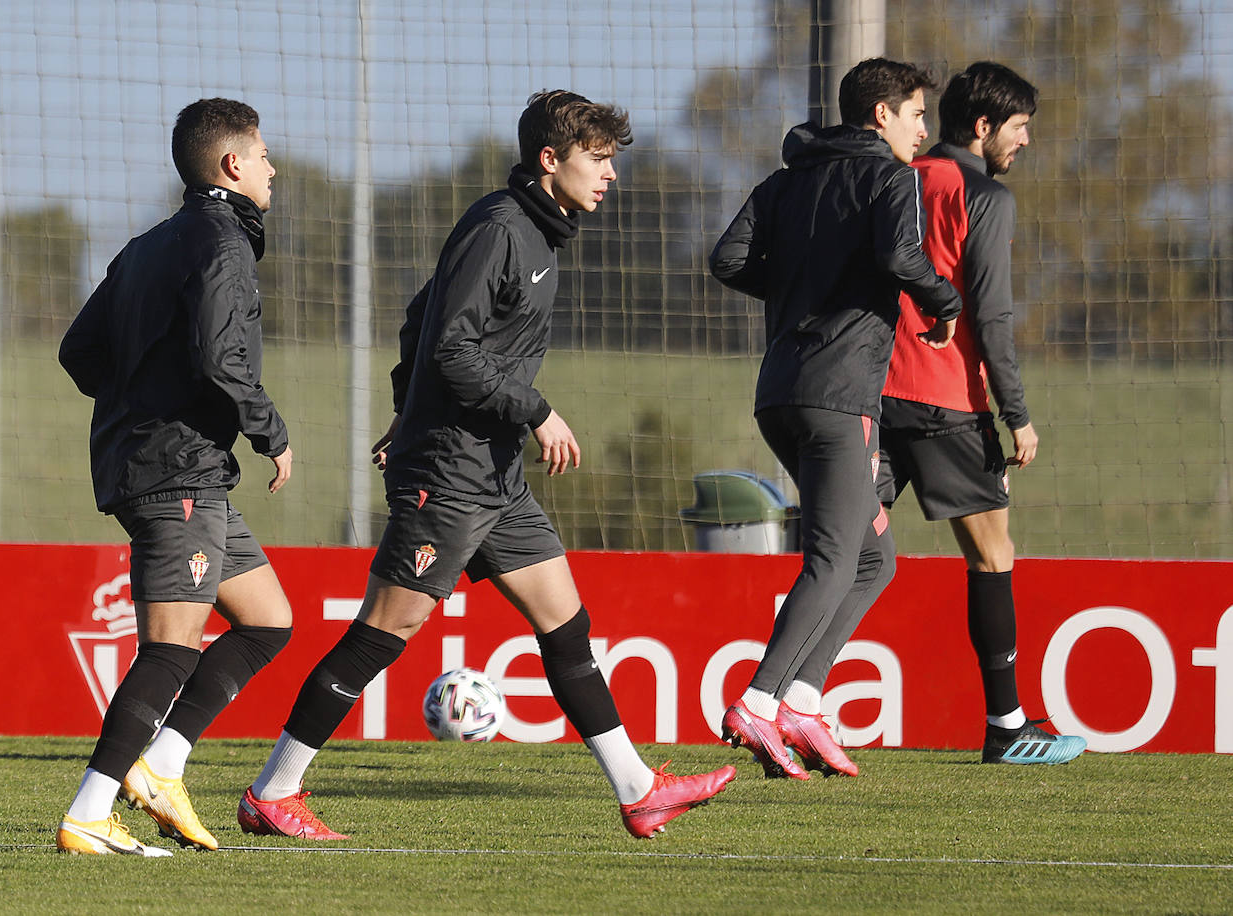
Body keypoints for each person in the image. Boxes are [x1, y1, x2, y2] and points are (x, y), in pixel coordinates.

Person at [239, 90, 735, 842]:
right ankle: (273, 791)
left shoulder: (540, 234)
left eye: (610, 162)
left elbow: (418, 319)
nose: (609, 176)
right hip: (451, 471)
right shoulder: (500, 228)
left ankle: (639, 789)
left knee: (565, 622)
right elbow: (448, 346)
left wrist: (408, 410)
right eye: (597, 160)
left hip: (492, 475)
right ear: (550, 159)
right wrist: (532, 411)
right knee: (382, 631)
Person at [709, 58, 962, 780]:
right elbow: (898, 255)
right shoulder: (890, 177)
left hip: (780, 395)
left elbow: (727, 259)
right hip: (839, 398)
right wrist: (943, 302)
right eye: (917, 114)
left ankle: (803, 699)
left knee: (874, 558)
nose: (923, 130)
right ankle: (760, 700)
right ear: (881, 115)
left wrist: (797, 286)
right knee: (833, 557)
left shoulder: (783, 182)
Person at [56, 98, 296, 855]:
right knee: (170, 648)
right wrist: (272, 434)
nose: (272, 167)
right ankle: (89, 811)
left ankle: (163, 765)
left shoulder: (150, 244)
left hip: (172, 466)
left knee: (266, 621)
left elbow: (79, 353)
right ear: (232, 164)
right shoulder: (223, 245)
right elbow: (224, 360)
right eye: (262, 155)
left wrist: (139, 398)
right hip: (177, 471)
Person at [873, 62, 1085, 764]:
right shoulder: (984, 195)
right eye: (1020, 128)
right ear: (985, 126)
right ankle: (1006, 727)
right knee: (994, 555)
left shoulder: (895, 176)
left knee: (844, 555)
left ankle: (780, 704)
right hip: (943, 401)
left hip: (869, 394)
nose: (1026, 141)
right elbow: (991, 314)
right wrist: (1016, 414)